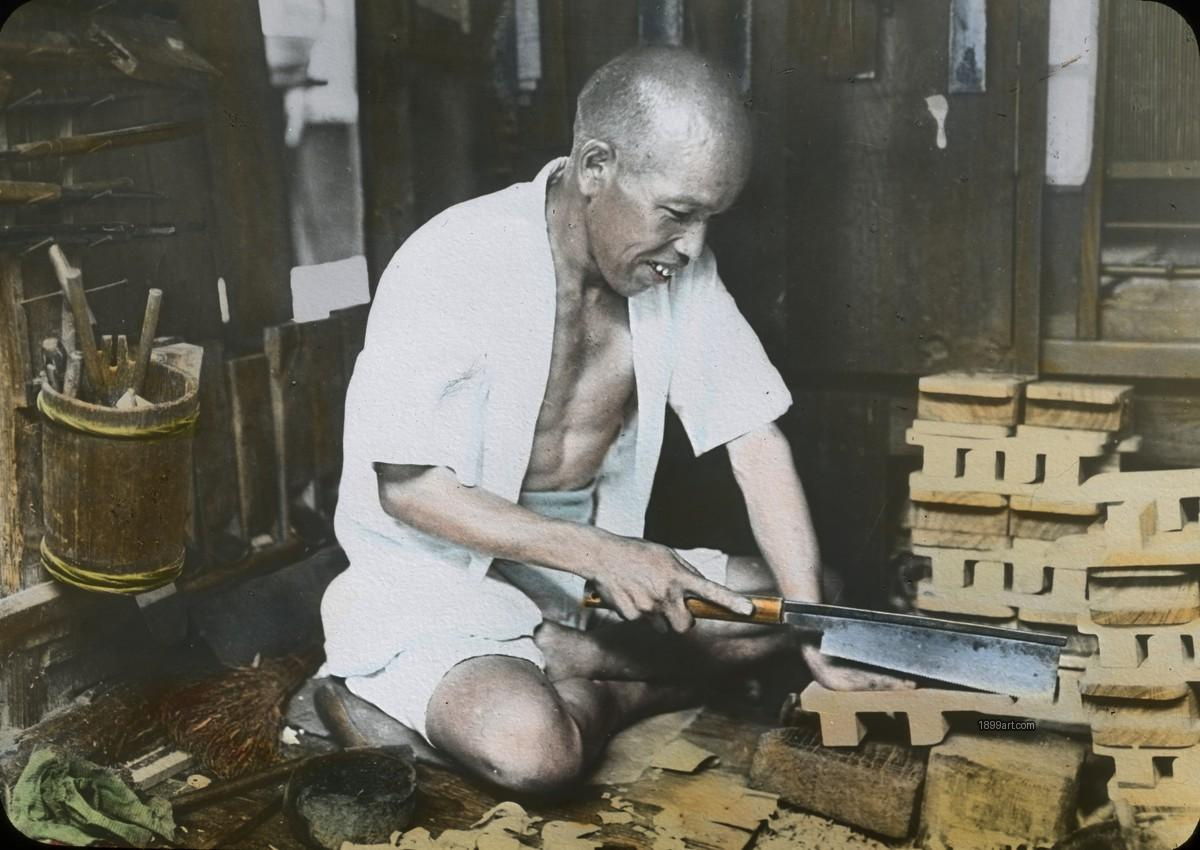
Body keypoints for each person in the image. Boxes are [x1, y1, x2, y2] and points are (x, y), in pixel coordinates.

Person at [319, 45, 911, 795]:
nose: (693, 246)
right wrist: (604, 554)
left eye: (710, 220)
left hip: (589, 588)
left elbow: (755, 442)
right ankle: (569, 686)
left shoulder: (677, 269)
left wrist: (816, 633)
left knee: (806, 589)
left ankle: (583, 674)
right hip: (440, 581)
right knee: (534, 753)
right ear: (596, 167)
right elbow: (407, 489)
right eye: (678, 213)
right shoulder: (452, 260)